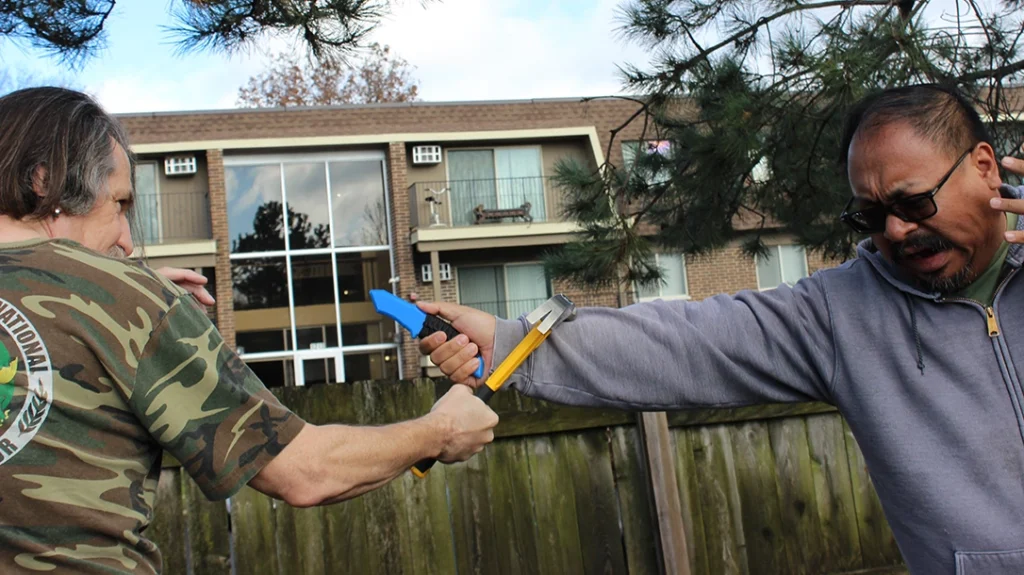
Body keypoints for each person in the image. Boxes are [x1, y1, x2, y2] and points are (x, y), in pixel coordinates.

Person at [418, 83, 1024, 575]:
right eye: (870, 215)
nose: (893, 231)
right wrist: (509, 342)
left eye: (912, 202)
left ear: (984, 167)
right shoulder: (844, 315)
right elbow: (687, 341)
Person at [0, 86, 499, 575]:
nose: (128, 243)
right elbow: (305, 472)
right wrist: (440, 430)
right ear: (45, 181)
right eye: (120, 205)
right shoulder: (128, 297)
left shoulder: (113, 294)